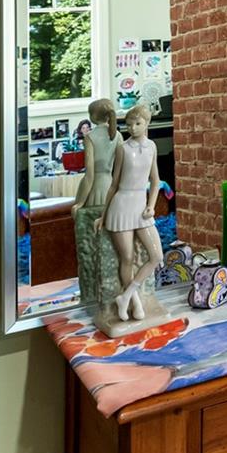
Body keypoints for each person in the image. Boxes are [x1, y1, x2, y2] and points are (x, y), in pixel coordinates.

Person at [98, 104, 164, 322]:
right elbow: (114, 184)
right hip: (121, 205)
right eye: (129, 124)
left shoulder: (152, 147)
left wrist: (151, 205)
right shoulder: (122, 148)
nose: (133, 128)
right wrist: (104, 214)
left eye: (138, 123)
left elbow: (155, 181)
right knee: (126, 257)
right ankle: (133, 301)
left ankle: (125, 295)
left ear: (147, 124)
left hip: (142, 207)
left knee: (156, 256)